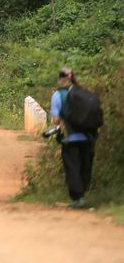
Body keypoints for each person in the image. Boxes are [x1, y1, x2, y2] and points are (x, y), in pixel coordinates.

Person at [50, 67, 96, 209]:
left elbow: (56, 120)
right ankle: (83, 195)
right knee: (85, 166)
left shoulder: (58, 95)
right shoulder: (85, 92)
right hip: (88, 137)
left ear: (60, 79)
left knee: (72, 168)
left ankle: (78, 198)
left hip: (70, 139)